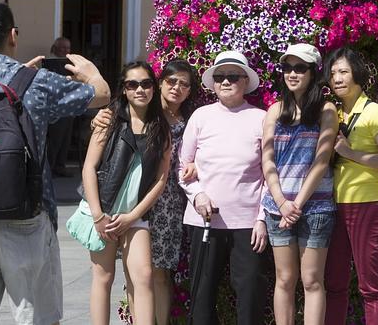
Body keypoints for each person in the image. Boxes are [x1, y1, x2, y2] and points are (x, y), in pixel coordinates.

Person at [0, 1, 110, 325]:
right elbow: (100, 95)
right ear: (13, 35)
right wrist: (92, 74)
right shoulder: (40, 83)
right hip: (28, 220)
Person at [91, 59, 198, 324]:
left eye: (184, 84)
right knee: (129, 275)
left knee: (153, 274)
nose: (176, 88)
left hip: (167, 202)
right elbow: (91, 164)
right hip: (126, 201)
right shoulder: (127, 116)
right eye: (171, 81)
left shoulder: (190, 120)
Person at [179, 50, 268, 325]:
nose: (226, 82)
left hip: (248, 224)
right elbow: (183, 167)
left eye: (232, 76)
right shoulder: (200, 116)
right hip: (204, 221)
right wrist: (197, 196)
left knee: (251, 294)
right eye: (220, 77)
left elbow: (270, 175)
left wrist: (263, 219)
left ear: (245, 81)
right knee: (202, 297)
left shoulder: (262, 118)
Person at [79, 61, 172, 325]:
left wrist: (133, 216)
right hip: (104, 212)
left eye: (146, 83)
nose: (140, 89)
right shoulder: (108, 120)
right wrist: (98, 216)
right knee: (104, 277)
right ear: (124, 90)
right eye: (132, 84)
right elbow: (89, 168)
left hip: (135, 215)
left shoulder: (160, 128)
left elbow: (160, 180)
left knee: (143, 275)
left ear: (154, 88)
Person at [322, 47, 378, 325]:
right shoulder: (335, 113)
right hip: (334, 205)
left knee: (370, 287)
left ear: (357, 73)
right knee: (334, 284)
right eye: (333, 73)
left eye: (343, 71)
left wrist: (350, 153)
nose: (337, 78)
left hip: (366, 204)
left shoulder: (373, 112)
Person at [261, 43, 338, 325]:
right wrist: (282, 202)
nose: (292, 74)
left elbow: (321, 161)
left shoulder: (326, 111)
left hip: (315, 207)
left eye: (300, 68)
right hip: (277, 208)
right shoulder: (274, 110)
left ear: (313, 72)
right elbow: (267, 160)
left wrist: (297, 205)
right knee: (284, 278)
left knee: (312, 280)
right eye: (287, 67)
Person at [47, 37, 75, 177]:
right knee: (55, 139)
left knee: (65, 138)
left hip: (69, 105)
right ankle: (51, 167)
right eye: (63, 47)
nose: (65, 50)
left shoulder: (70, 63)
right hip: (56, 107)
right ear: (56, 47)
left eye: (68, 48)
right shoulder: (50, 62)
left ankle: (60, 166)